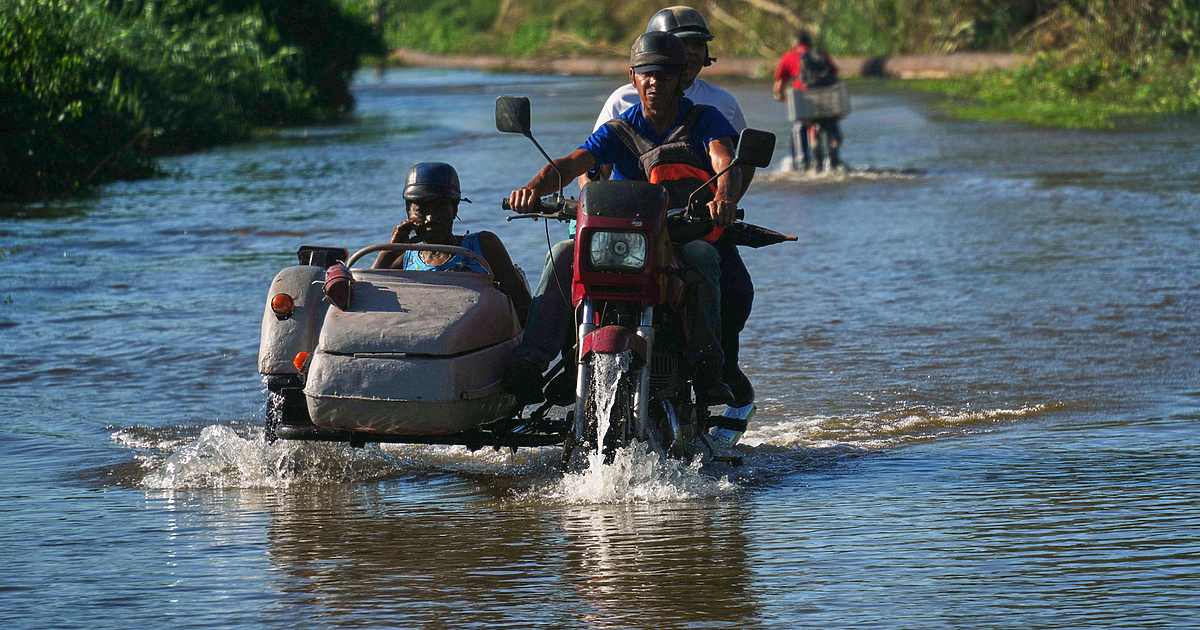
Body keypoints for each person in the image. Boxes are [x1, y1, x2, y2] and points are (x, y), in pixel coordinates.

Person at [502, 31, 741, 407]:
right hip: (626, 241)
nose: (654, 82)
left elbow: (722, 157)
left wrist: (724, 197)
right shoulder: (621, 129)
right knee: (563, 253)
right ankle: (533, 360)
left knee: (705, 258)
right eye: (646, 73)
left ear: (680, 78)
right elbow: (571, 164)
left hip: (679, 234)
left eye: (664, 74)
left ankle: (707, 365)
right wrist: (532, 189)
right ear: (633, 78)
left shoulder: (703, 119)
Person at [586, 6, 757, 409]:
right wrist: (588, 206)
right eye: (682, 45)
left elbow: (736, 161)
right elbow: (594, 161)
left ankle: (720, 365)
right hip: (628, 229)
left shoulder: (718, 104)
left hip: (695, 222)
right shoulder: (622, 101)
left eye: (698, 46)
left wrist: (723, 204)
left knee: (735, 289)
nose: (691, 54)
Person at [373, 162, 531, 326]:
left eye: (440, 209)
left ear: (455, 209)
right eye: (420, 210)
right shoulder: (405, 259)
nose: (430, 219)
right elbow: (365, 298)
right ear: (408, 212)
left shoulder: (482, 247)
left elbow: (525, 307)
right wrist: (388, 251)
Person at [773, 30, 843, 170]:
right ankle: (834, 157)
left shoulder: (789, 57)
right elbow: (835, 74)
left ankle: (802, 161)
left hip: (804, 101)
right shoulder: (821, 54)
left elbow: (779, 87)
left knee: (800, 126)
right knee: (831, 122)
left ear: (794, 44)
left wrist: (781, 96)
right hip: (827, 100)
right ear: (809, 43)